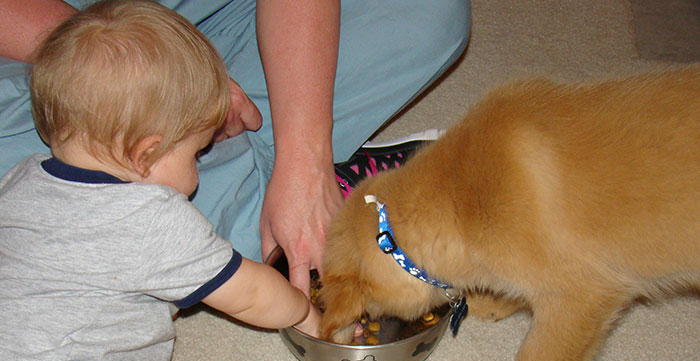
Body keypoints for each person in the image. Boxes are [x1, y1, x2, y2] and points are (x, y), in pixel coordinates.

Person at [0, 2, 329, 361]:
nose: (197, 171)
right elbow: (249, 294)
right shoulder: (150, 215)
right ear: (145, 155)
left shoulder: (22, 178)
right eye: (195, 153)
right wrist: (306, 311)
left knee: (132, 344)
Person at [0, 0, 472, 294]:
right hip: (53, 47)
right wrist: (149, 77)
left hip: (227, 14)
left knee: (431, 10)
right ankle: (286, 193)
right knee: (41, 221)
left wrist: (303, 152)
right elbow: (252, 298)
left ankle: (298, 179)